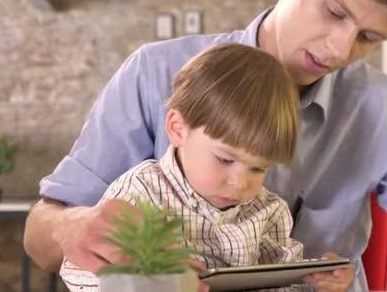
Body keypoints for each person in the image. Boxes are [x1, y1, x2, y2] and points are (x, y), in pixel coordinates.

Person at [24, 0, 387, 291]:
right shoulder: (155, 73)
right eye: (333, 12)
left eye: (367, 38)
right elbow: (42, 237)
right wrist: (73, 228)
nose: (339, 49)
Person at [59, 43, 321, 291]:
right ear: (177, 128)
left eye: (259, 169)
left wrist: (317, 279)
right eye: (225, 160)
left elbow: (286, 279)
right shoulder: (141, 193)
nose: (240, 183)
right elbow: (80, 274)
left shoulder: (270, 210)